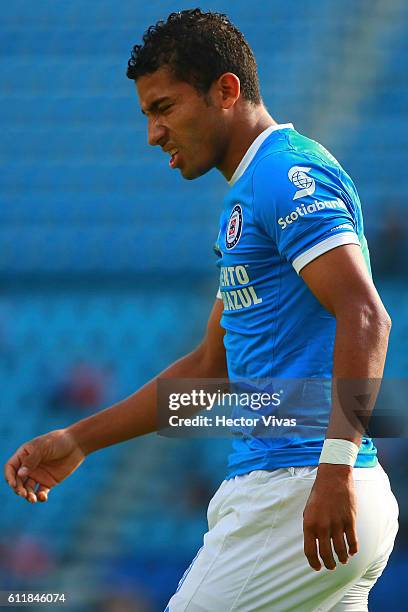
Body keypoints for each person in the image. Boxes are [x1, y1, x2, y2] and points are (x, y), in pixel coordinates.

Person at [5, 9, 398, 611]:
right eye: (146, 115)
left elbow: (366, 315)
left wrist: (333, 470)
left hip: (296, 493)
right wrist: (79, 439)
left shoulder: (284, 175)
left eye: (164, 108)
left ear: (226, 90)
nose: (153, 133)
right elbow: (213, 368)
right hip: (315, 498)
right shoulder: (247, 194)